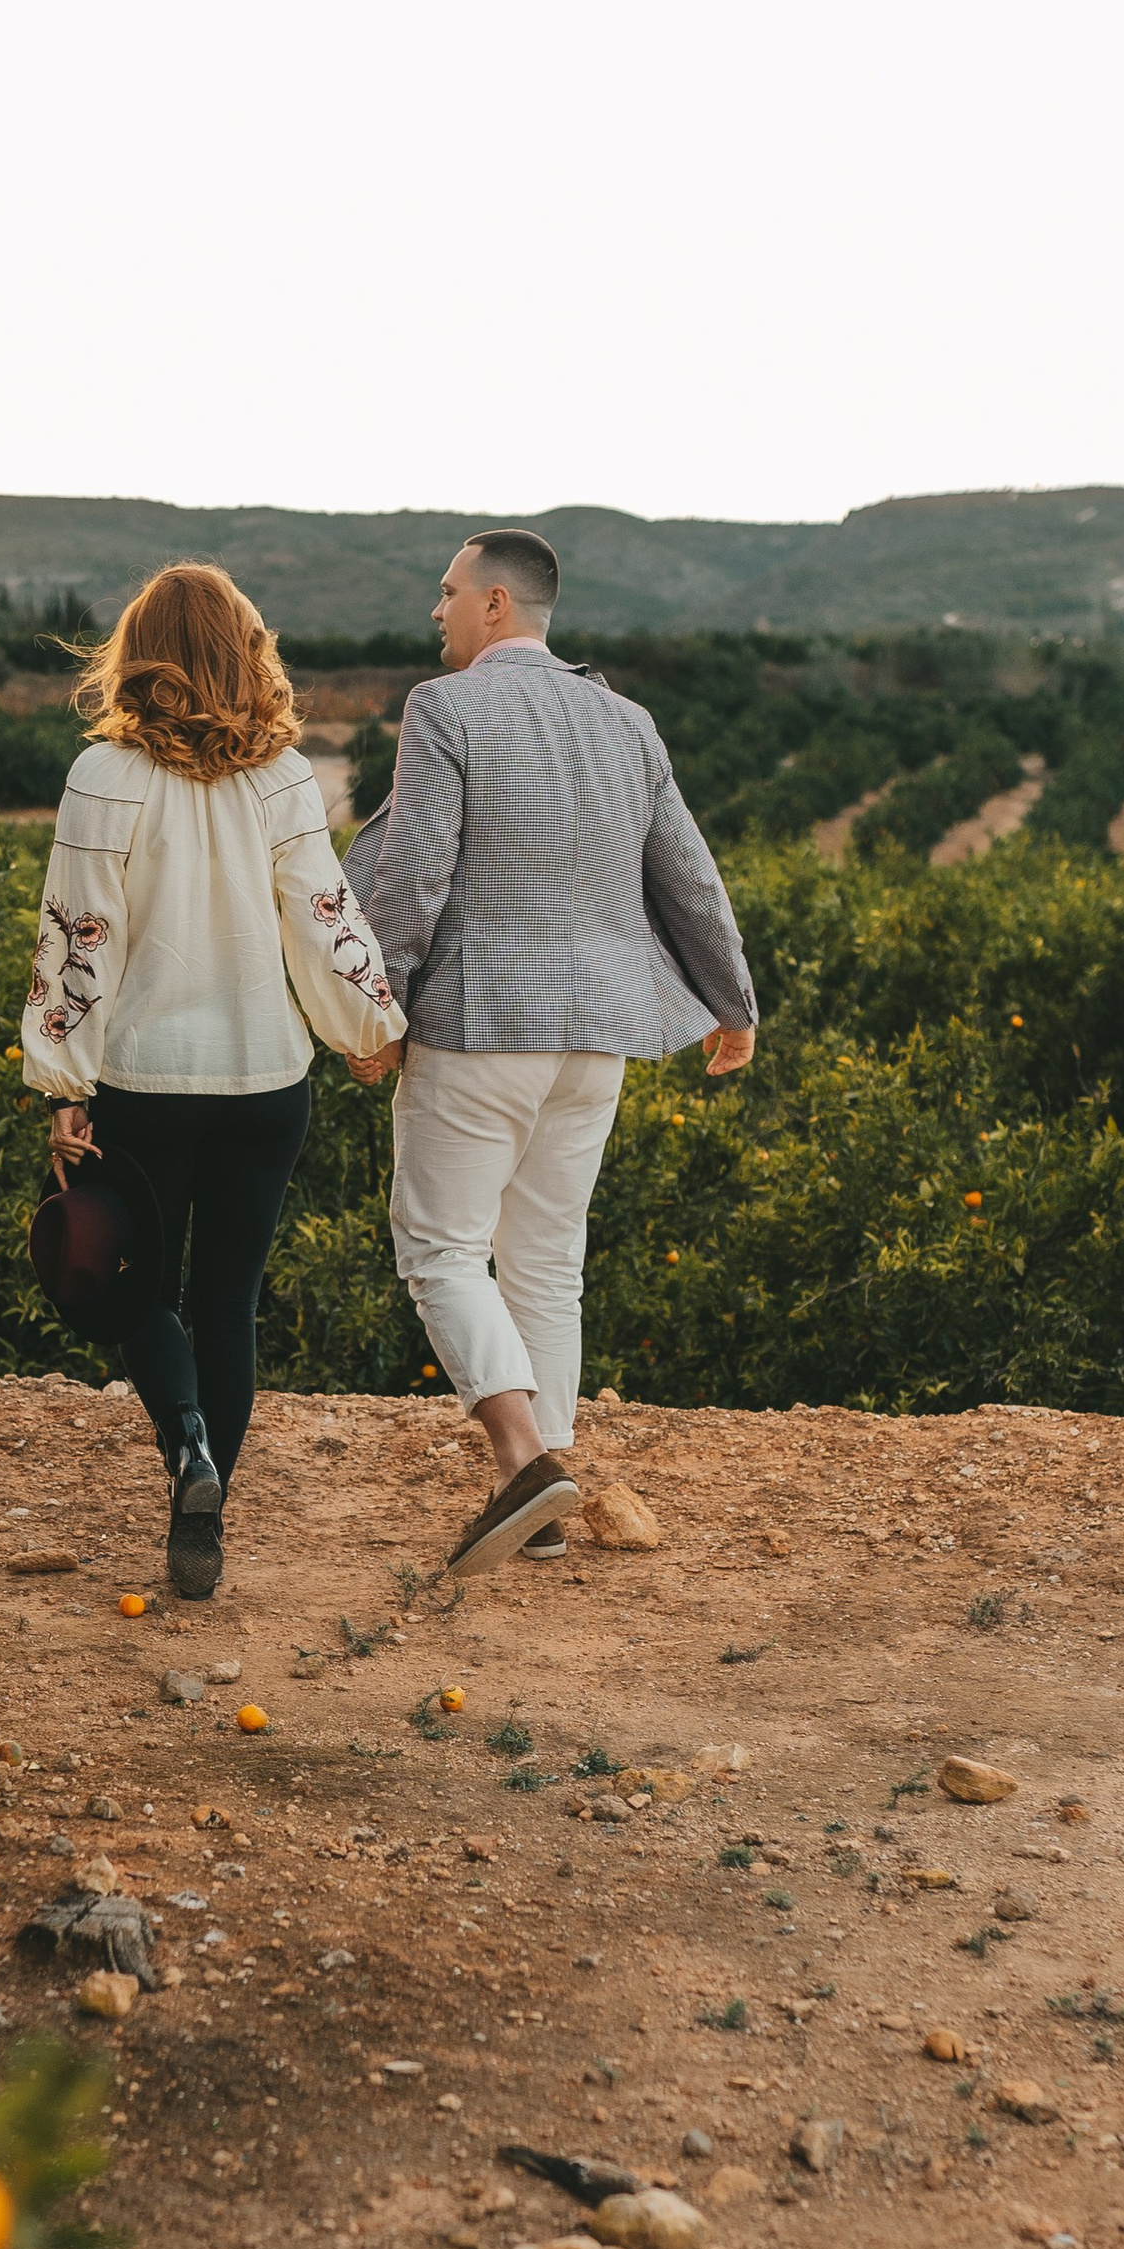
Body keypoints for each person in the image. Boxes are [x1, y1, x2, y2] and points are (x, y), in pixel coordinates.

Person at [342, 529, 757, 1575]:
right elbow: (690, 877)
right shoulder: (628, 721)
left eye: (445, 592)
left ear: (492, 604)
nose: (434, 611)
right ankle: (546, 1482)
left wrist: (374, 1010)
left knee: (439, 1246)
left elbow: (414, 875)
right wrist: (732, 1002)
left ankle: (523, 1457)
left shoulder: (447, 708)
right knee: (546, 1257)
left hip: (484, 1026)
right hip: (599, 1037)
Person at [21, 561, 406, 1597]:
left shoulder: (101, 776)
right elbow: (323, 914)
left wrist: (64, 1081)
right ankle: (207, 1509)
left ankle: (185, 1443)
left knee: (134, 1291)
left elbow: (76, 942)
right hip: (264, 1081)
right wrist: (366, 1025)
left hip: (141, 1081)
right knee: (226, 1298)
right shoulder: (279, 776)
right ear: (245, 649)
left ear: (136, 653)